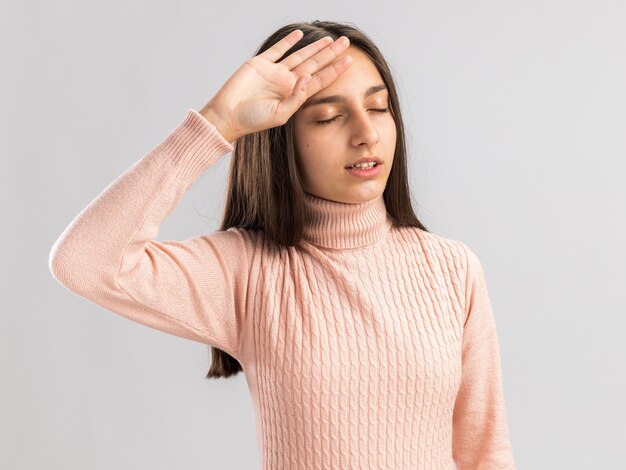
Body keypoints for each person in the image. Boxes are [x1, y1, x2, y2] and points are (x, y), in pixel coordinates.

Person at [49, 20, 516, 470]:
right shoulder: (248, 271)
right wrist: (217, 122)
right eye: (330, 117)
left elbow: (486, 456)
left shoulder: (452, 270)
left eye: (377, 107)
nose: (366, 133)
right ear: (282, 140)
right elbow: (85, 262)